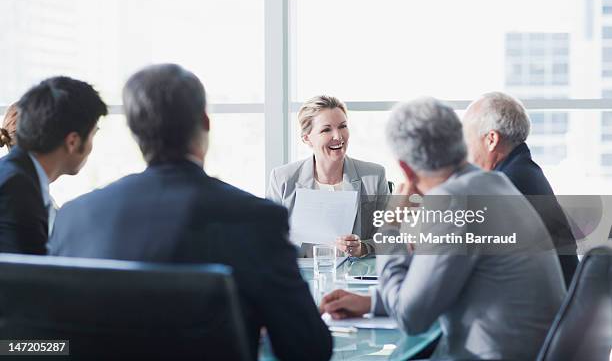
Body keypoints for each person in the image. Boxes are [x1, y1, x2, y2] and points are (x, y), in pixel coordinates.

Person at [49, 64, 332, 361]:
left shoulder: (74, 218)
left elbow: (50, 343)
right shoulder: (256, 219)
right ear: (205, 122)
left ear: (135, 132)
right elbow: (307, 348)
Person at [320, 98, 566, 360]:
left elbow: (411, 318)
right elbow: (439, 286)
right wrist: (372, 302)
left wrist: (390, 226)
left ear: (405, 168)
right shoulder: (494, 184)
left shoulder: (452, 202)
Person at [462, 92, 578, 288]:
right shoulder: (524, 172)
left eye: (467, 137)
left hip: (545, 311)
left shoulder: (507, 184)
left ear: (491, 139)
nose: (464, 149)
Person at [267, 95, 389, 257]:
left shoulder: (374, 176)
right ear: (307, 139)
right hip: (301, 274)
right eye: (326, 129)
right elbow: (267, 237)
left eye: (342, 126)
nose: (338, 137)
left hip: (354, 275)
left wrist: (362, 248)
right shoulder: (282, 178)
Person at [0, 77, 107, 255]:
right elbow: (25, 276)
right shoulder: (17, 187)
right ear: (73, 141)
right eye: (92, 135)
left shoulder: (16, 174)